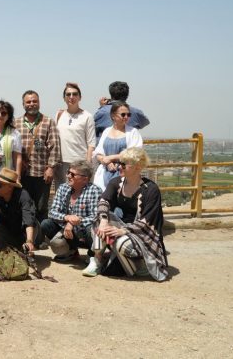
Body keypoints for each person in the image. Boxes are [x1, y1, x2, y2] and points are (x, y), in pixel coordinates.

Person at [83, 148, 168, 281]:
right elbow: (104, 201)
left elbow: (147, 222)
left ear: (137, 167)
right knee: (101, 220)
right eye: (119, 163)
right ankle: (97, 260)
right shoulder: (116, 182)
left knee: (121, 243)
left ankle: (142, 263)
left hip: (142, 235)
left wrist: (123, 230)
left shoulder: (151, 190)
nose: (119, 167)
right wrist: (104, 222)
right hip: (120, 230)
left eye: (123, 164)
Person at [14, 90, 61, 221]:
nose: (31, 104)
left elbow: (55, 146)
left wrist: (51, 168)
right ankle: (26, 231)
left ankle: (41, 232)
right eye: (28, 102)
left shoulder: (48, 122)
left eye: (34, 101)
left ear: (39, 102)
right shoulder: (16, 123)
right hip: (22, 173)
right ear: (23, 104)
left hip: (42, 173)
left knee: (41, 207)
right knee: (24, 205)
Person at [40, 160, 100, 261]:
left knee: (93, 228)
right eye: (68, 172)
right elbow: (52, 212)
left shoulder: (94, 190)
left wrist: (73, 223)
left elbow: (96, 216)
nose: (68, 176)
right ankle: (72, 250)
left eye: (72, 174)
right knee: (46, 224)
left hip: (84, 231)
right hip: (68, 231)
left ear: (85, 179)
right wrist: (67, 218)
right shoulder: (63, 188)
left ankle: (93, 254)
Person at [0, 168, 43, 253]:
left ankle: (28, 248)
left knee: (33, 222)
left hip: (25, 233)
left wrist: (29, 241)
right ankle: (7, 246)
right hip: (11, 232)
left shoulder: (23, 195)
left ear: (10, 187)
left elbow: (29, 220)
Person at [53, 82, 96, 189]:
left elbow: (91, 143)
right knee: (63, 193)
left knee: (80, 194)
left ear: (80, 97)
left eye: (75, 94)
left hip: (79, 164)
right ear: (64, 98)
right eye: (68, 94)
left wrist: (87, 165)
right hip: (61, 164)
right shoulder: (59, 114)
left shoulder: (87, 116)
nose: (71, 97)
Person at [92, 102, 143, 191]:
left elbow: (135, 153)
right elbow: (98, 153)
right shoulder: (106, 131)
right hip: (104, 173)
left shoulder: (133, 132)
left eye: (128, 115)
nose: (126, 117)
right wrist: (107, 162)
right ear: (113, 116)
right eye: (123, 114)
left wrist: (111, 158)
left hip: (124, 173)